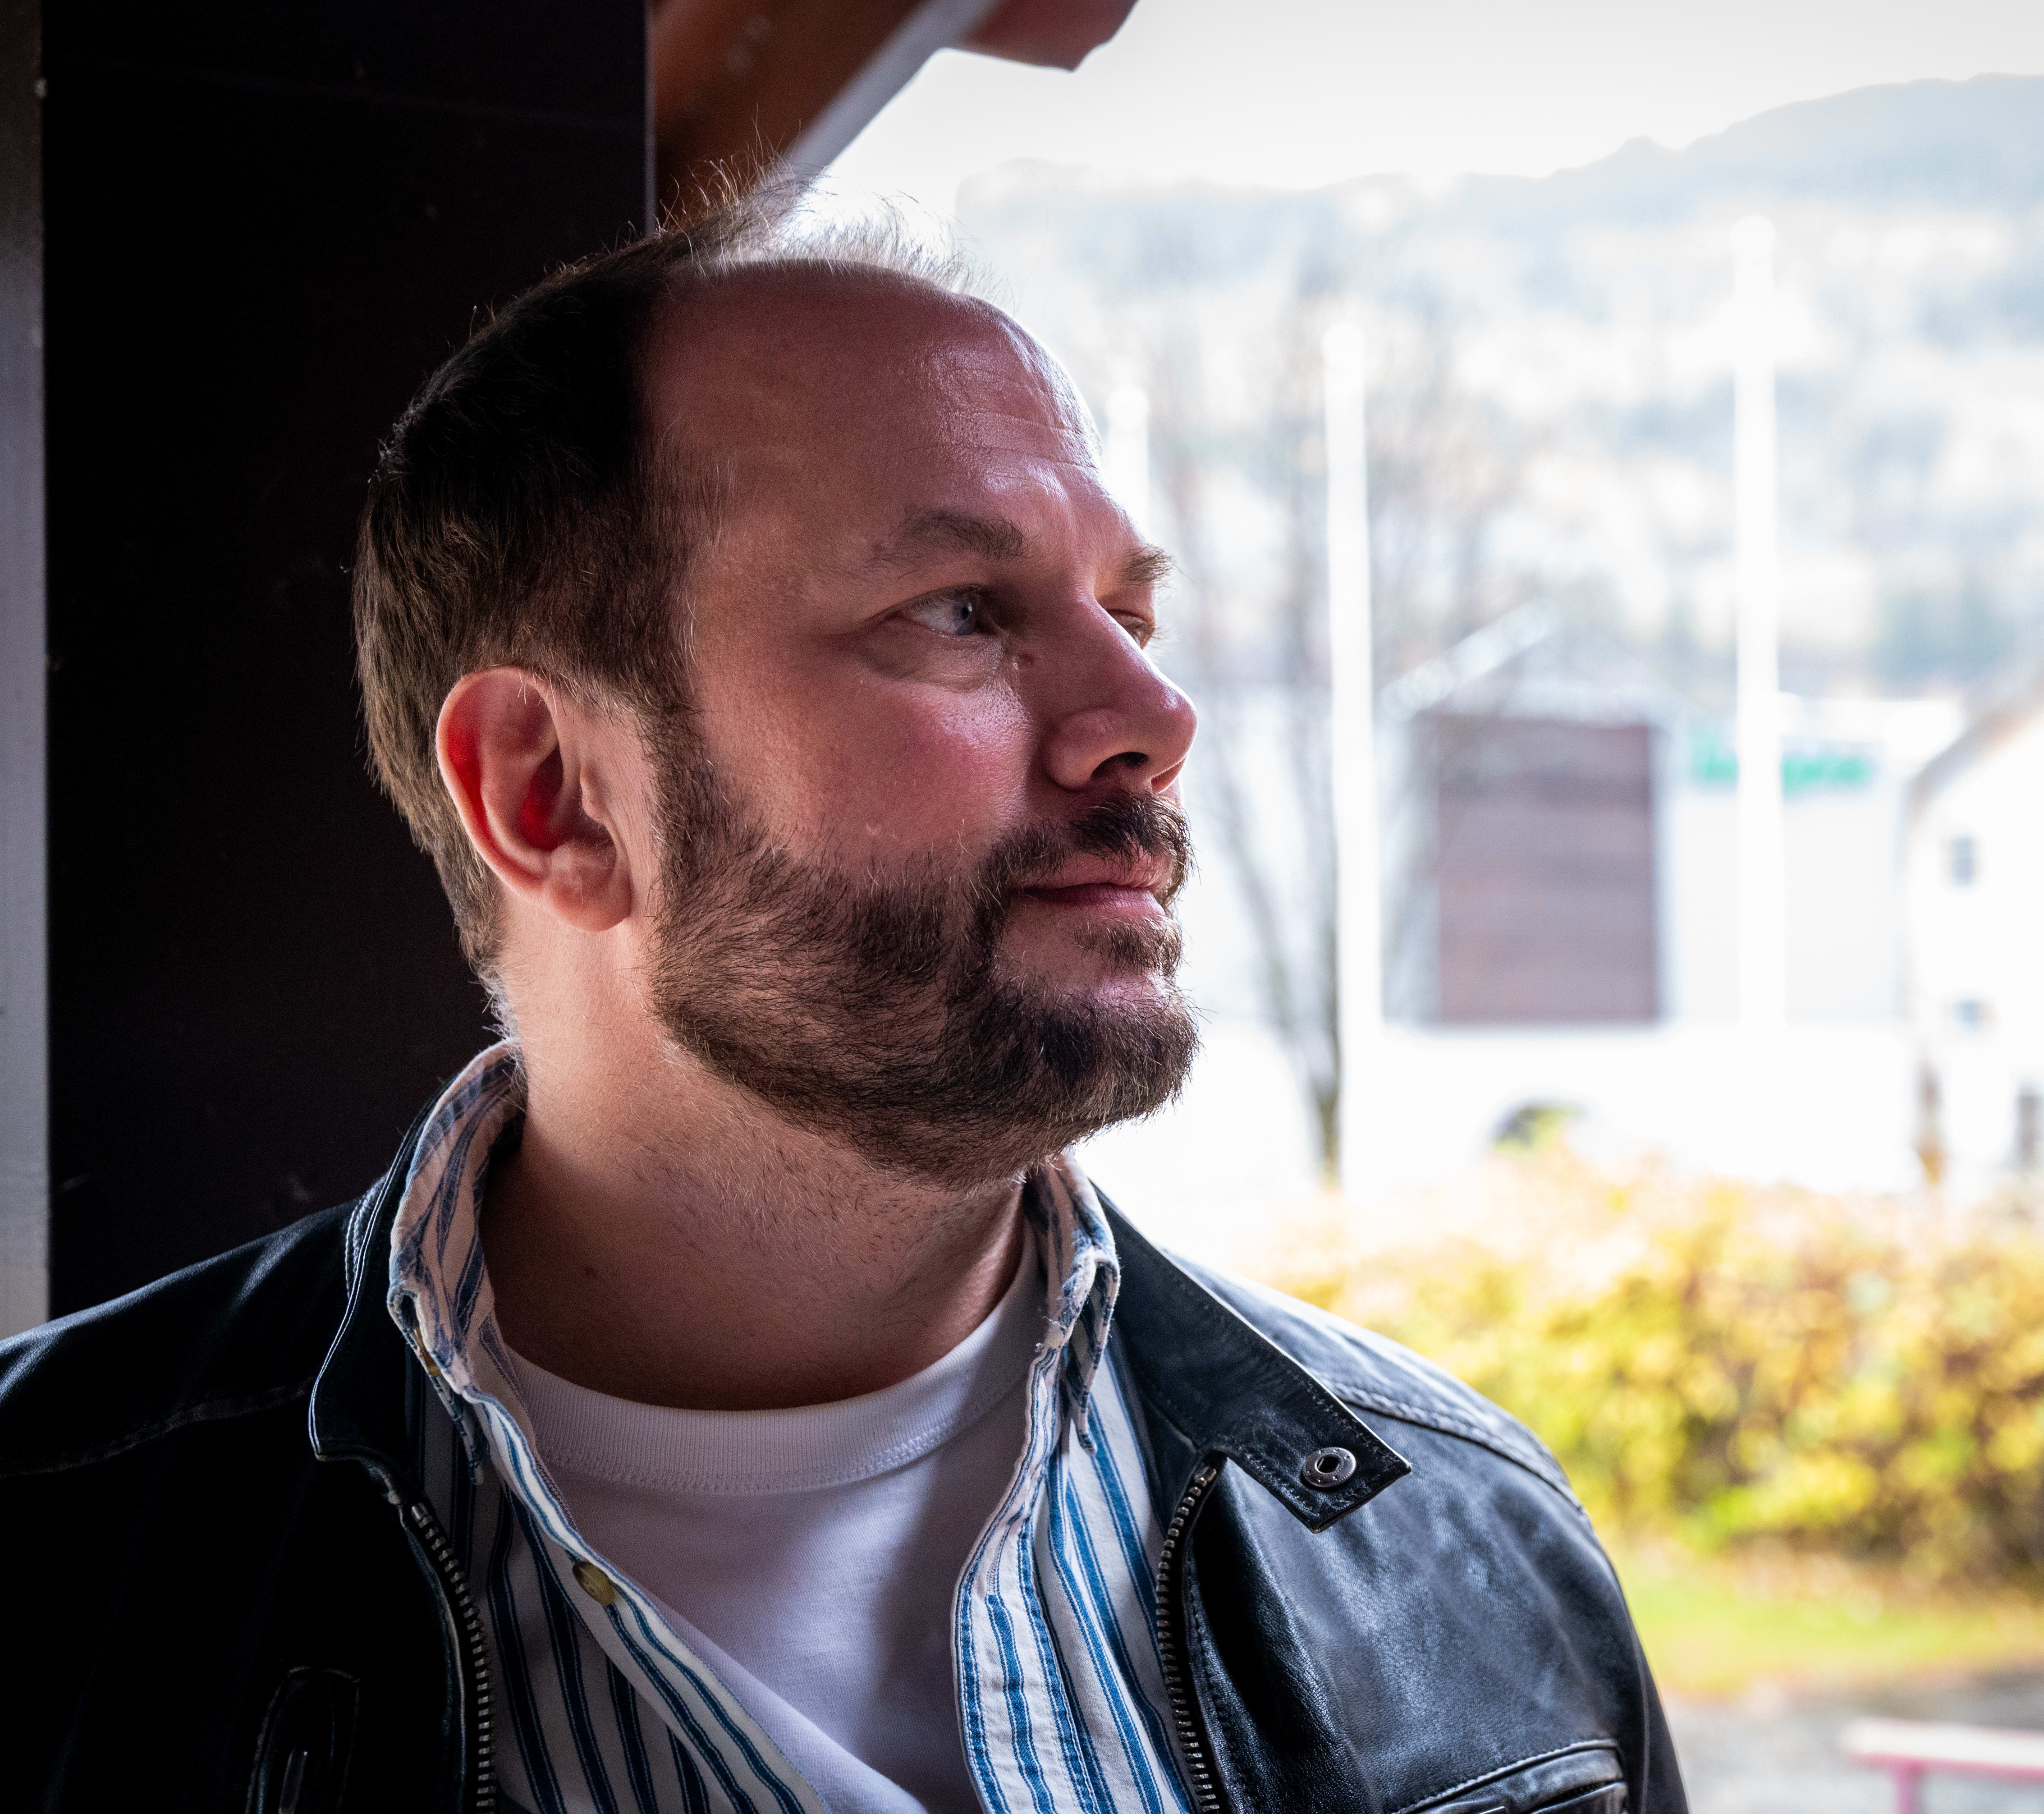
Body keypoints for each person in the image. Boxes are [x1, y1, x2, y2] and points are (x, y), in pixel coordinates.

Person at [0, 193, 1682, 1814]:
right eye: (960, 614)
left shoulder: (1465, 1553)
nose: (1154, 715)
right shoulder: (45, 1559)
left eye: (1129, 611)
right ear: (552, 794)